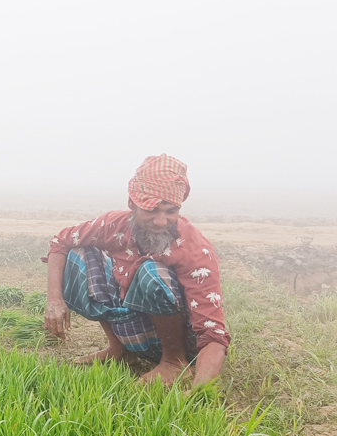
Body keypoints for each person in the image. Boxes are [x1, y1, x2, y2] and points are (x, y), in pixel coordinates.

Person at [44, 155, 229, 386]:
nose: (161, 221)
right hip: (130, 327)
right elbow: (60, 241)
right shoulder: (114, 225)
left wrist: (200, 390)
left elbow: (213, 333)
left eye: (171, 211)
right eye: (152, 210)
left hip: (179, 340)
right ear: (132, 204)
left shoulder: (194, 248)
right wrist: (54, 300)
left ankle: (173, 361)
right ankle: (119, 350)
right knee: (79, 253)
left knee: (152, 271)